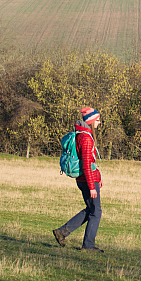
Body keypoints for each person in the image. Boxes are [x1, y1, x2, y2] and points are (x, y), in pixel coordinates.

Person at [53, 106, 104, 252]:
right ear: (92, 121)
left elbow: (89, 162)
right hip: (88, 181)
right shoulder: (87, 138)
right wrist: (92, 186)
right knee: (96, 212)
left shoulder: (80, 135)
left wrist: (98, 178)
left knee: (90, 209)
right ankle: (88, 245)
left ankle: (62, 232)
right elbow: (87, 165)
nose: (99, 123)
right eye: (98, 120)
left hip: (82, 180)